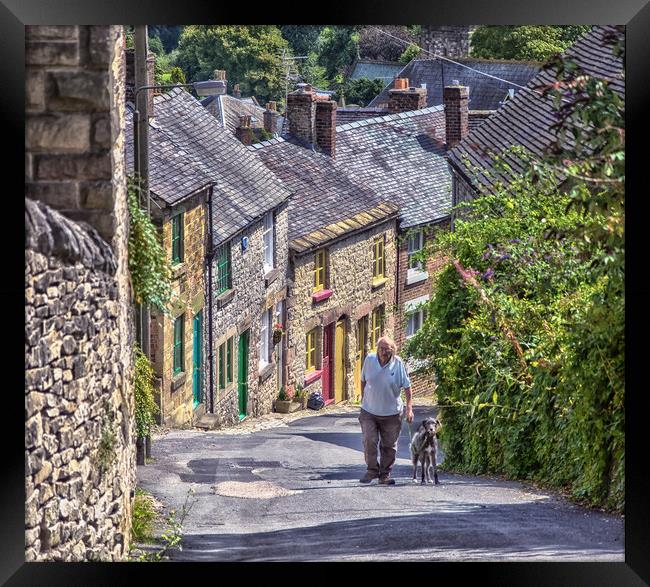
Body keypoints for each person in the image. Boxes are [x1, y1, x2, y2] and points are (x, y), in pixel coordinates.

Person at [358, 335, 413, 485]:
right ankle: (372, 471)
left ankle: (384, 475)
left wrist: (409, 408)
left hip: (392, 414)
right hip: (369, 411)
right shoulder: (369, 360)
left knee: (389, 446)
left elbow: (407, 387)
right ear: (377, 349)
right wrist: (364, 399)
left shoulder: (398, 363)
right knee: (369, 440)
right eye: (381, 349)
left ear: (393, 351)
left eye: (387, 350)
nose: (384, 353)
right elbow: (363, 380)